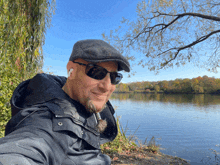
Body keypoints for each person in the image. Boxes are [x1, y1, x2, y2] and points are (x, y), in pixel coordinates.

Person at [0, 39, 130, 165]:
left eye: (114, 77)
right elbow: (21, 150)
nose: (107, 87)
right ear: (71, 71)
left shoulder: (80, 101)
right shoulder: (47, 122)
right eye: (96, 72)